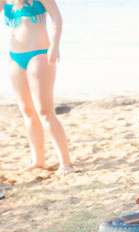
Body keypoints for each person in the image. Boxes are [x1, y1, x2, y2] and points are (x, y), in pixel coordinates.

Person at [4, 0, 73, 175]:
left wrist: (55, 45)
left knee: (44, 111)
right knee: (27, 110)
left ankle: (65, 163)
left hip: (40, 55)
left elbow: (56, 17)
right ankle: (38, 160)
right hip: (15, 57)